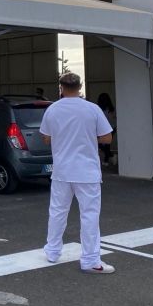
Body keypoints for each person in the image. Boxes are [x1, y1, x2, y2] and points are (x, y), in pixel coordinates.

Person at [40, 72, 115, 274]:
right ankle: (90, 260)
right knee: (89, 215)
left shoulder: (52, 109)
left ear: (61, 88)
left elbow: (45, 138)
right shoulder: (92, 109)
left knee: (57, 212)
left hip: (62, 170)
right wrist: (87, 136)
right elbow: (107, 138)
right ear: (80, 87)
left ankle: (52, 251)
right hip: (87, 171)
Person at [96, 93, 117, 166]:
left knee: (104, 145)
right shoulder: (110, 109)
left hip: (108, 129)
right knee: (105, 145)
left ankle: (107, 160)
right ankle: (110, 157)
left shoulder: (103, 110)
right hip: (111, 128)